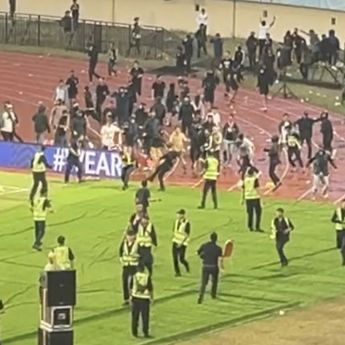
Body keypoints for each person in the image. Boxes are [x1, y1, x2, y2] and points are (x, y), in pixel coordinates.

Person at [197, 232, 223, 304]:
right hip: (214, 266)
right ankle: (213, 294)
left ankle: (200, 296)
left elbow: (198, 252)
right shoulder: (218, 248)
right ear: (216, 239)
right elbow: (220, 257)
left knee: (203, 283)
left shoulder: (204, 245)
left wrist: (202, 257)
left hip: (205, 266)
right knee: (214, 281)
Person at [130, 263, 153, 338]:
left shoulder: (134, 276)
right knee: (145, 317)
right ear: (143, 269)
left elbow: (130, 288)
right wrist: (151, 298)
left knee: (135, 316)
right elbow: (150, 288)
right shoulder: (147, 277)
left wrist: (131, 297)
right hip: (144, 298)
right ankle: (145, 332)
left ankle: (134, 332)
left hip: (135, 298)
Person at [119, 229, 139, 304]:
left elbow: (141, 254)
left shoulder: (137, 244)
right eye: (128, 236)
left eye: (131, 236)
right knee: (124, 281)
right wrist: (121, 260)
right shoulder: (124, 243)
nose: (130, 237)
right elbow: (120, 251)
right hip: (126, 265)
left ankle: (133, 297)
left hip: (134, 265)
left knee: (133, 282)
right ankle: (126, 298)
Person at [242, 167, 262, 232]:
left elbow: (243, 190)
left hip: (248, 198)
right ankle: (257, 227)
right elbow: (257, 188)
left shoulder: (245, 180)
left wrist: (242, 199)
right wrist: (261, 196)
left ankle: (250, 226)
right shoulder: (255, 179)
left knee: (250, 213)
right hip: (255, 197)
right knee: (258, 213)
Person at [172, 209, 191, 277]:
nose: (178, 215)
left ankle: (186, 265)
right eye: (178, 214)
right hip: (175, 241)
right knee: (175, 258)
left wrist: (181, 243)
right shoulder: (176, 221)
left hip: (183, 243)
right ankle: (177, 272)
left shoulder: (187, 223)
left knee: (181, 258)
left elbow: (187, 234)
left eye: (180, 214)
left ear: (183, 215)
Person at [331, 199, 345, 266]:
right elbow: (332, 219)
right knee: (339, 247)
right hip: (339, 230)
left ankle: (344, 261)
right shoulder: (338, 210)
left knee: (343, 247)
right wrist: (339, 222)